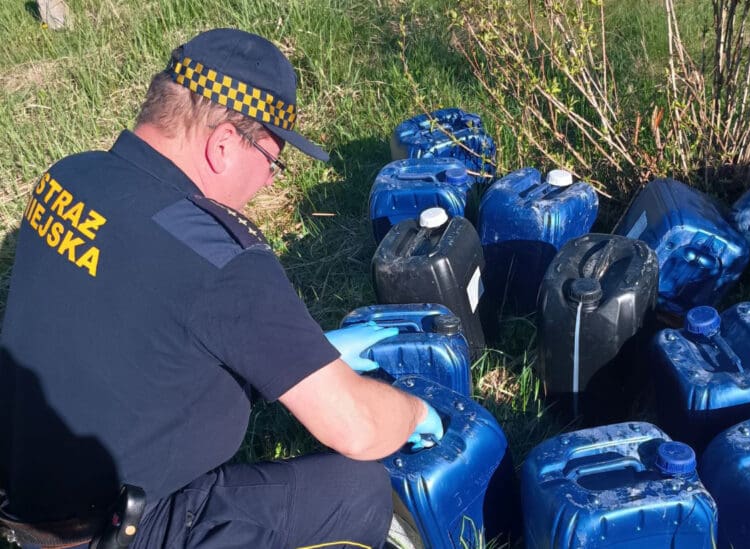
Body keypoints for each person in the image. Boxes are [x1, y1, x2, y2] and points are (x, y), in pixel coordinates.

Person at [0, 28, 442, 548]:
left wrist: (306, 354)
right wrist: (414, 411)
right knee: (356, 492)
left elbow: (139, 306)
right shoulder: (219, 256)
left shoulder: (69, 177)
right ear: (224, 144)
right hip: (112, 531)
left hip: (23, 499)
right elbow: (358, 428)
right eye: (273, 160)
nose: (272, 179)